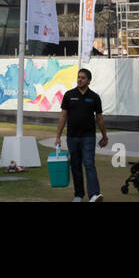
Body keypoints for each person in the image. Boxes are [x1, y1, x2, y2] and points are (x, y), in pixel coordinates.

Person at [54, 68, 108, 202]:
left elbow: (100, 118)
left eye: (83, 78)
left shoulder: (94, 97)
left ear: (89, 81)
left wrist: (104, 136)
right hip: (72, 137)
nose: (80, 79)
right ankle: (78, 195)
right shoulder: (68, 95)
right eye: (78, 77)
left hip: (88, 137)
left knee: (89, 164)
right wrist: (58, 136)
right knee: (75, 166)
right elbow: (63, 116)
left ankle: (94, 194)